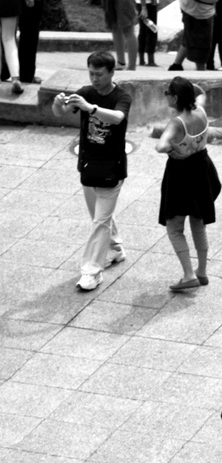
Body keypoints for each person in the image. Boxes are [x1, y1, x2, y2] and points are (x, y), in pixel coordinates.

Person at [51, 52, 130, 291]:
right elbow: (60, 112)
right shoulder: (86, 92)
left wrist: (91, 108)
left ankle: (91, 272)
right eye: (91, 73)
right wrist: (57, 103)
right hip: (87, 166)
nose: (94, 79)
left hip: (111, 169)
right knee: (99, 217)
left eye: (99, 74)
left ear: (111, 72)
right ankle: (115, 248)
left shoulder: (121, 96)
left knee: (99, 222)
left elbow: (118, 117)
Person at [146, 76, 222, 291]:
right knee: (198, 223)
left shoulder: (177, 123)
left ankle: (188, 275)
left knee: (175, 226)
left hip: (181, 174)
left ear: (176, 97)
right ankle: (202, 272)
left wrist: (172, 148)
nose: (165, 95)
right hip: (202, 168)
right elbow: (201, 92)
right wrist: (188, 88)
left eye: (167, 92)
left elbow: (160, 146)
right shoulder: (201, 111)